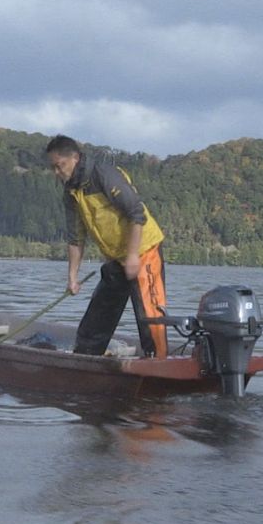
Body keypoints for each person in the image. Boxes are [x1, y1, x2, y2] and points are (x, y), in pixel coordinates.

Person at [46, 135, 168, 359]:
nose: (57, 173)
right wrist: (72, 277)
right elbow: (75, 239)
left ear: (74, 158)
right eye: (53, 168)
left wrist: (133, 256)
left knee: (150, 319)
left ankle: (158, 365)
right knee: (97, 317)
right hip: (117, 258)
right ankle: (85, 359)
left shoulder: (104, 175)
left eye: (59, 166)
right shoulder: (71, 193)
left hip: (144, 251)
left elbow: (136, 213)